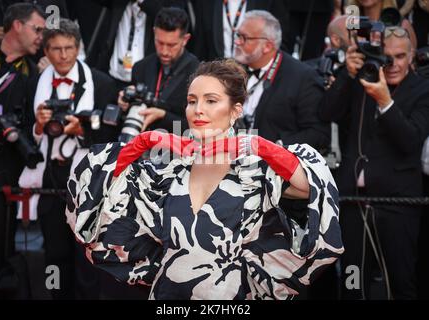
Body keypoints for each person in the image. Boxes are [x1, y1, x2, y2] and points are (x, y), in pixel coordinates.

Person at [66, 59, 344, 300]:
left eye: (211, 101)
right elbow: (95, 188)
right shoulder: (170, 171)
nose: (197, 109)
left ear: (235, 111)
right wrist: (143, 141)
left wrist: (258, 146)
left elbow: (313, 187)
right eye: (191, 101)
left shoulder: (257, 169)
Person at [319, 26, 429, 299]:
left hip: (397, 204)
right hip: (354, 203)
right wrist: (348, 72)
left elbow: (411, 140)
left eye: (400, 56)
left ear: (412, 56)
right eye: (386, 56)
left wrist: (385, 101)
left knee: (400, 282)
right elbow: (326, 112)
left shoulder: (423, 89)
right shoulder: (363, 79)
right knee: (353, 280)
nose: (392, 64)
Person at [18, 18, 119, 299]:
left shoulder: (102, 83)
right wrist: (38, 126)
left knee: (85, 253)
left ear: (78, 48)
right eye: (56, 49)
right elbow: (21, 132)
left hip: (88, 180)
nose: (63, 55)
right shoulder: (33, 84)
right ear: (45, 52)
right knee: (54, 254)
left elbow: (113, 136)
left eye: (69, 48)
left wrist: (82, 129)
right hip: (50, 176)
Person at [0, 3, 45, 299]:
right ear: (17, 26)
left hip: (3, 166)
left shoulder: (34, 74)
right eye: (37, 29)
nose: (41, 37)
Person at [233, 10, 329, 151]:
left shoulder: (303, 77)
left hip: (276, 166)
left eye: (244, 37)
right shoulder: (231, 69)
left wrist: (275, 147)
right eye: (237, 35)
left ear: (267, 46)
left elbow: (319, 134)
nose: (237, 42)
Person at [117, 7, 199, 134]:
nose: (164, 51)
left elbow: (198, 126)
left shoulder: (198, 74)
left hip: (178, 150)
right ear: (154, 32)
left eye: (172, 45)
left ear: (185, 40)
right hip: (142, 145)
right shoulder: (140, 68)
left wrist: (164, 116)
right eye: (160, 43)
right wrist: (126, 104)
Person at [191, 0, 290, 61]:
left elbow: (279, 41)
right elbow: (200, 44)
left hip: (253, 71)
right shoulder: (206, 2)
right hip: (216, 72)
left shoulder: (268, 2)